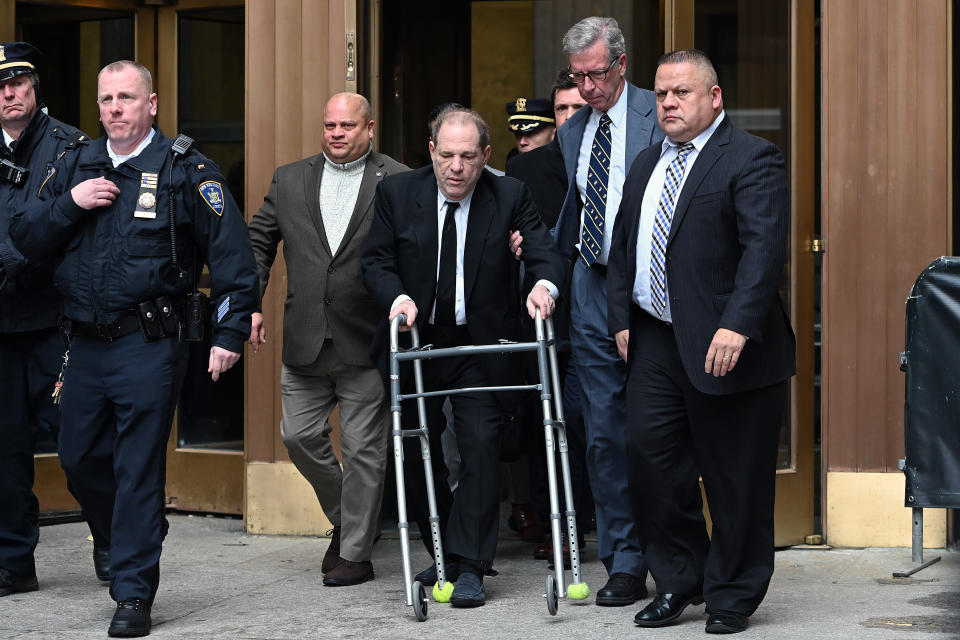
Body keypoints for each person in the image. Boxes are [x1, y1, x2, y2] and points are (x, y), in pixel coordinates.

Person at [11, 60, 258, 637]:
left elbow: (231, 259)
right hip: (84, 344)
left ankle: (132, 593)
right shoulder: (75, 163)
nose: (115, 108)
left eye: (126, 97)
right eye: (106, 99)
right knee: (77, 457)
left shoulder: (185, 170)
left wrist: (229, 333)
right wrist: (70, 202)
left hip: (149, 343)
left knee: (138, 467)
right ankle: (126, 532)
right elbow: (23, 236)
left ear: (152, 103)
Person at [607, 50, 796, 634]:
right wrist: (620, 317)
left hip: (726, 343)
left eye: (681, 93)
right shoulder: (644, 165)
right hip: (655, 340)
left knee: (734, 477)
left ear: (714, 98)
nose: (667, 103)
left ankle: (733, 594)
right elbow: (623, 249)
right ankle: (680, 580)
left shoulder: (752, 158)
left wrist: (737, 323)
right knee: (651, 464)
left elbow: (764, 253)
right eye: (661, 93)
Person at [362, 106, 564, 607]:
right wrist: (397, 298)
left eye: (468, 157)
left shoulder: (510, 194)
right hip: (417, 338)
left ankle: (470, 565)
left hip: (480, 342)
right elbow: (377, 260)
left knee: (479, 444)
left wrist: (543, 284)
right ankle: (445, 552)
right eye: (447, 155)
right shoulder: (396, 193)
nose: (456, 167)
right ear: (431, 151)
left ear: (486, 157)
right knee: (413, 449)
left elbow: (543, 248)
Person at [247, 92, 408, 587]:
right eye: (329, 125)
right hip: (305, 338)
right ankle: (350, 518)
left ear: (369, 128)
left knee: (363, 450)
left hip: (366, 338)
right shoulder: (290, 178)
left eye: (347, 126)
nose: (336, 133)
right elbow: (258, 239)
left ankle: (355, 553)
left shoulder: (399, 179)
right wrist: (250, 303)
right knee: (297, 435)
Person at [551, 15, 664, 606]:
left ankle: (671, 553)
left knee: (658, 430)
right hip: (591, 285)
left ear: (622, 64)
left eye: (597, 74)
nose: (588, 88)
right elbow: (577, 205)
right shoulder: (573, 130)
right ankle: (623, 561)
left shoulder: (660, 110)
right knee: (601, 433)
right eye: (577, 77)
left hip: (652, 289)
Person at [0, 41, 98, 598]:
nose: (8, 93)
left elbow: (69, 230)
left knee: (80, 442)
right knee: (5, 450)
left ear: (34, 87)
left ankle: (111, 536)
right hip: (2, 325)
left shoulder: (70, 149)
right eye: (0, 86)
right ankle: (15, 561)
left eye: (17, 82)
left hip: (54, 321)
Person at [504, 68, 590, 566]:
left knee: (587, 423)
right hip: (546, 316)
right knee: (549, 422)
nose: (570, 120)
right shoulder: (527, 169)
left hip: (605, 319)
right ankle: (557, 522)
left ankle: (583, 519)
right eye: (562, 110)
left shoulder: (620, 161)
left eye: (578, 110)